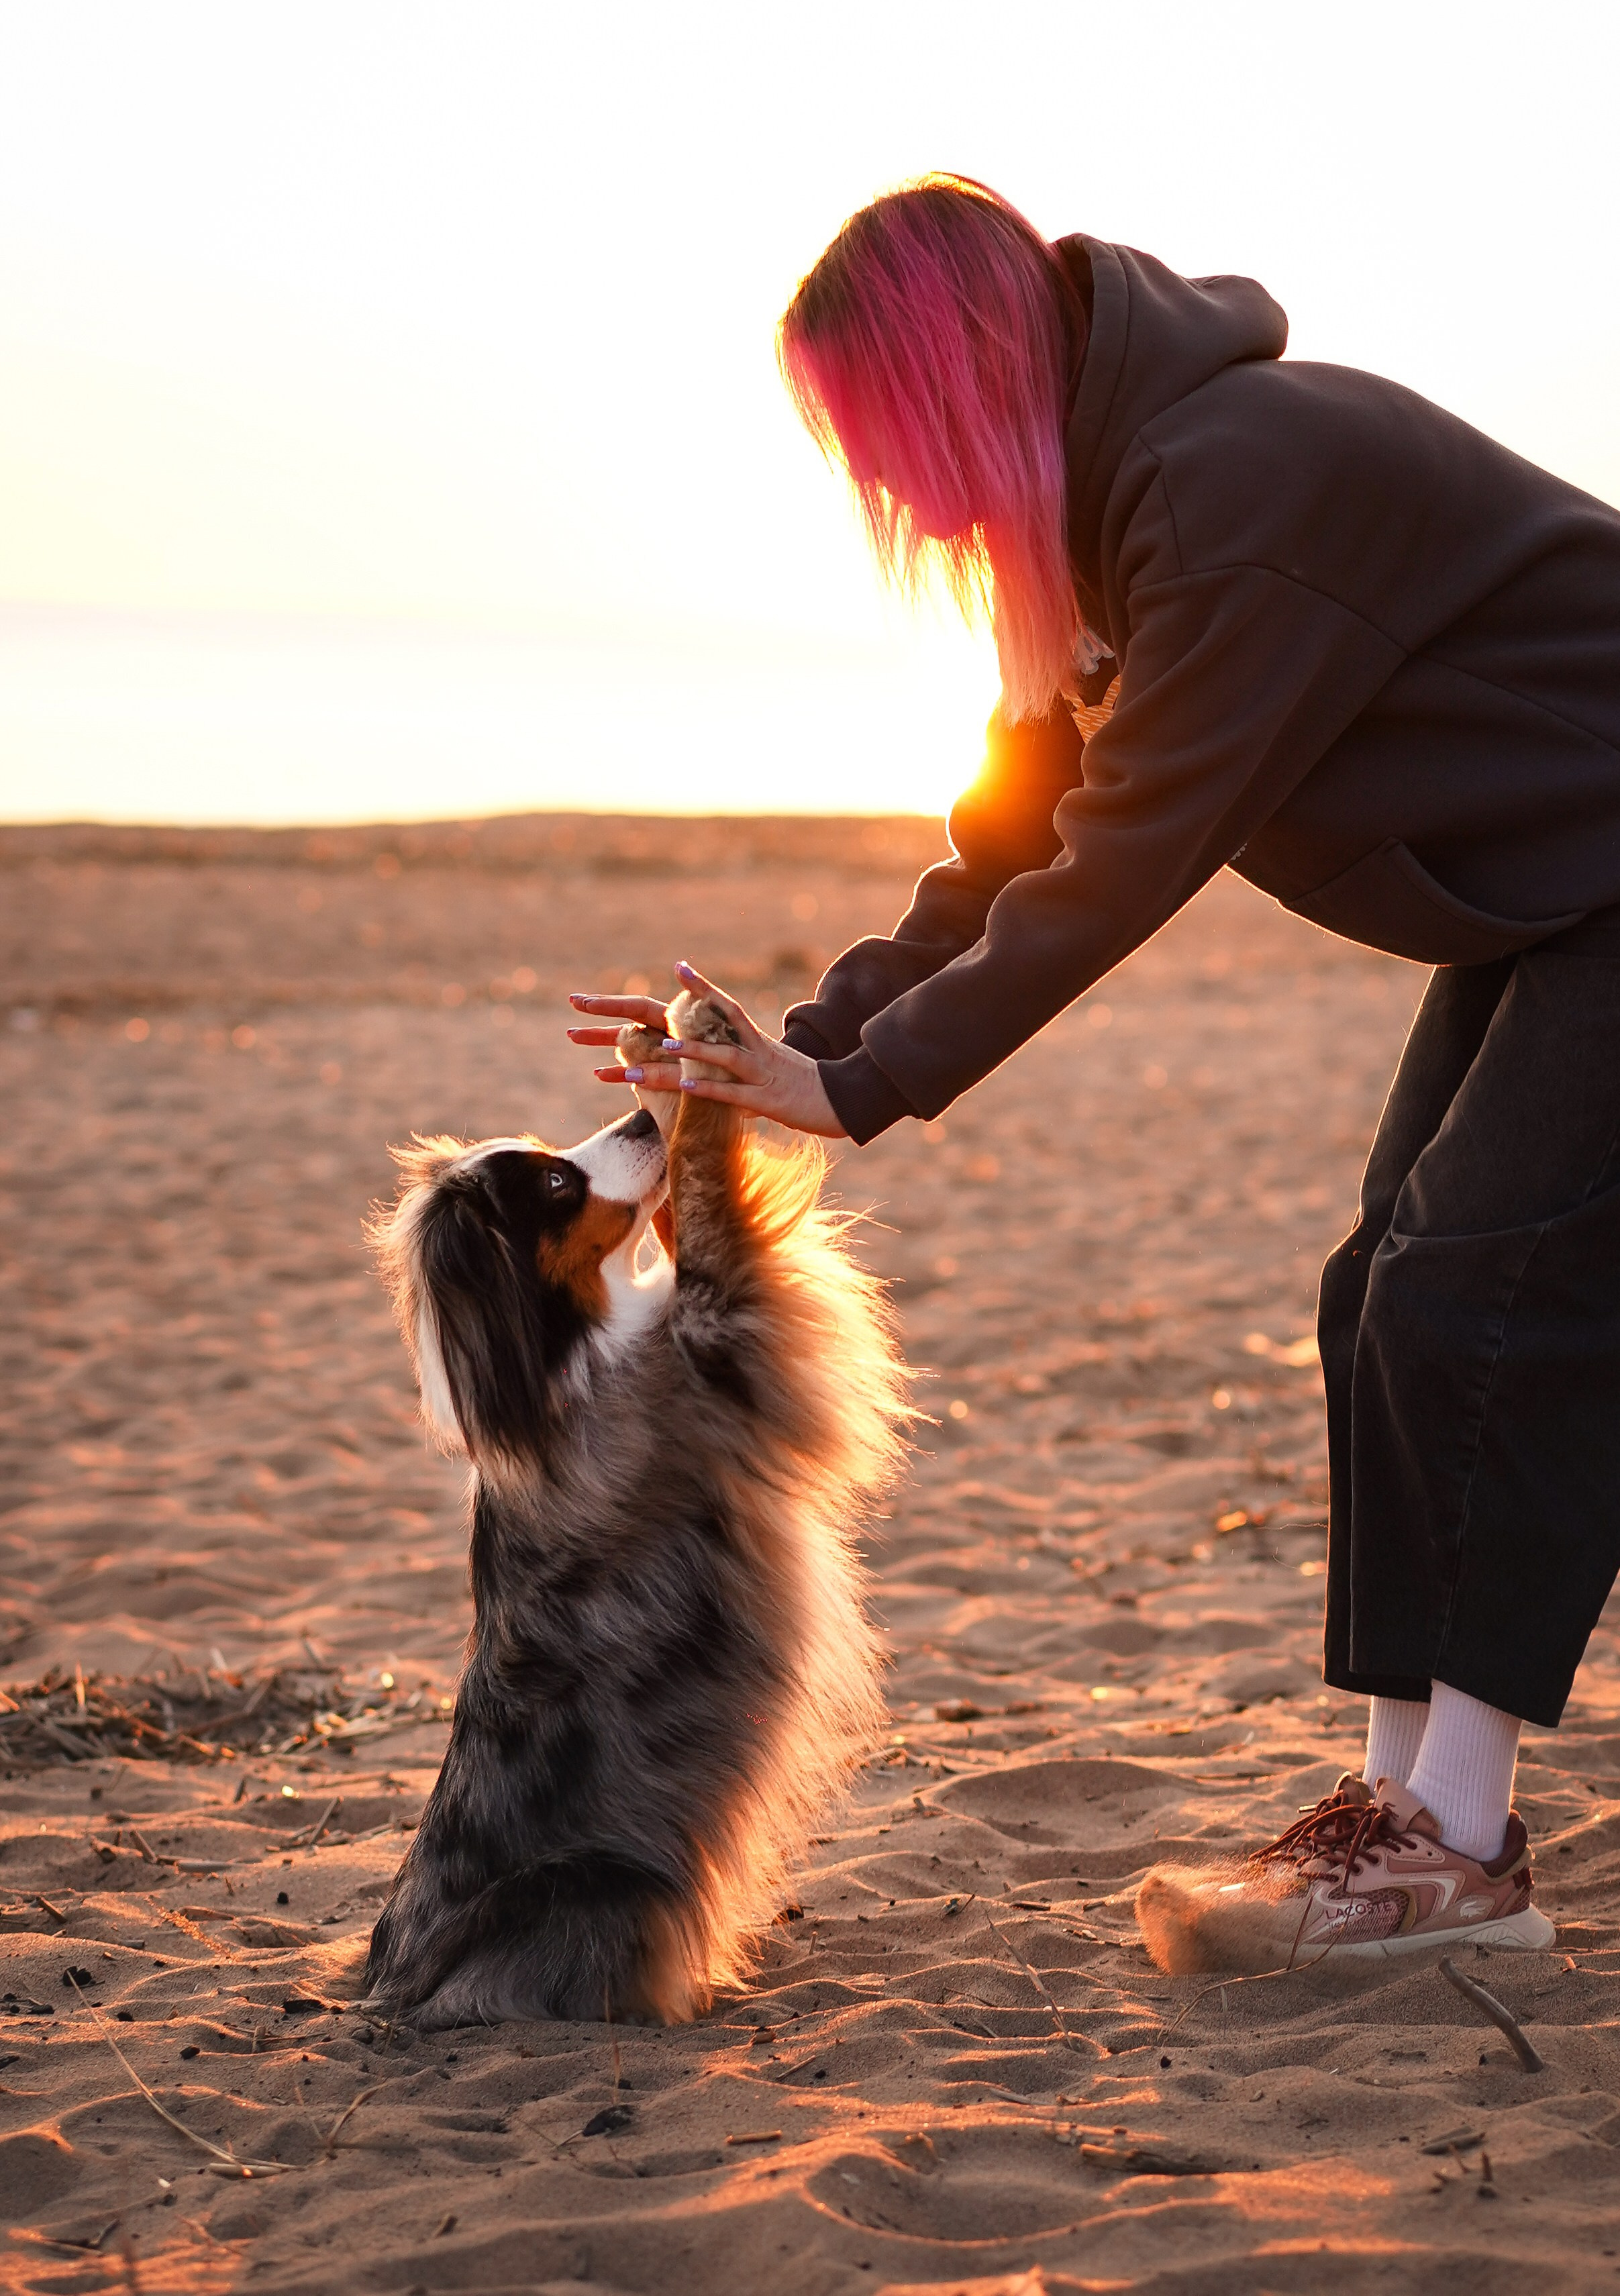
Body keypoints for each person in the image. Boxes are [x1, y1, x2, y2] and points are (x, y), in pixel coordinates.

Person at [568, 173, 1620, 1966]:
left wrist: (867, 1090)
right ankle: (1399, 1818)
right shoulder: (1094, 537)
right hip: (1559, 894)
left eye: (887, 441)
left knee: (1477, 1299)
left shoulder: (1232, 487)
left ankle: (1456, 1844)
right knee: (1383, 1289)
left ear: (964, 380)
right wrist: (779, 1059)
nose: (893, 496)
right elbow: (1005, 845)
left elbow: (1124, 854)